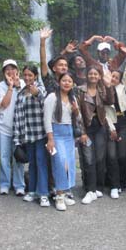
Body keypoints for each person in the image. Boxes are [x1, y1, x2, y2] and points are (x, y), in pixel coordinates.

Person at [77, 64, 117, 203]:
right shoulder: (80, 91)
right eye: (91, 74)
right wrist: (82, 132)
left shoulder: (101, 90)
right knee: (89, 159)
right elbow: (78, 114)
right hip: (86, 128)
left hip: (100, 127)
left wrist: (109, 85)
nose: (93, 76)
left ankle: (97, 187)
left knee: (100, 158)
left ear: (99, 76)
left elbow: (111, 101)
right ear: (86, 75)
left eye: (96, 74)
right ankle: (90, 190)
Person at [44, 72, 82, 211]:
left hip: (69, 133)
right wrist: (50, 138)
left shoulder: (73, 98)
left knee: (70, 164)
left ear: (73, 84)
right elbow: (47, 119)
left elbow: (78, 119)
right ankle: (59, 196)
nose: (66, 83)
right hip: (56, 132)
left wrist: (76, 111)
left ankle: (65, 192)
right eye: (64, 80)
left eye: (69, 81)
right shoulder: (52, 97)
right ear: (59, 82)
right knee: (61, 164)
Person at [13, 66, 50, 207]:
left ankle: (44, 193)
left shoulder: (41, 89)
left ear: (35, 76)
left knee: (41, 163)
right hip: (27, 135)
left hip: (40, 133)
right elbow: (17, 116)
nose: (27, 78)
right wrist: (17, 139)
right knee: (32, 164)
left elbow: (47, 109)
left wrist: (38, 95)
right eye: (25, 75)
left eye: (30, 75)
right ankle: (32, 190)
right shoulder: (21, 93)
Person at [105, 51, 126, 192]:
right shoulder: (104, 90)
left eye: (117, 77)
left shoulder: (122, 87)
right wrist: (111, 129)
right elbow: (104, 112)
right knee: (112, 156)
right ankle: (114, 184)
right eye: (112, 76)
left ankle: (122, 183)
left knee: (122, 155)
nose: (114, 78)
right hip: (110, 124)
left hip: (122, 122)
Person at [0, 59, 25, 195]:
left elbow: (25, 102)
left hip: (20, 128)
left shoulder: (24, 84)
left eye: (13, 68)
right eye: (7, 69)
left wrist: (18, 86)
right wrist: (10, 87)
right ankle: (5, 183)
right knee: (4, 157)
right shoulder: (0, 86)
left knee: (18, 156)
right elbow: (4, 104)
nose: (10, 71)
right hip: (4, 127)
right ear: (3, 72)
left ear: (17, 70)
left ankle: (19, 184)